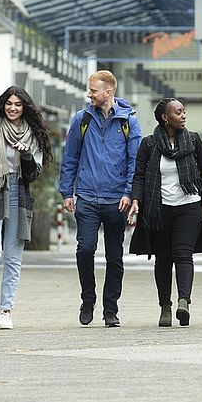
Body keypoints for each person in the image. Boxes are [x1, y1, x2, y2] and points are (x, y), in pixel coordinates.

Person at [127, 98, 202, 327]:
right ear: (165, 117)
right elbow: (139, 176)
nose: (183, 115)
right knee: (162, 259)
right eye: (178, 112)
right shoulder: (149, 144)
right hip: (158, 209)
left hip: (189, 206)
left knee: (183, 255)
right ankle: (165, 307)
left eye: (183, 112)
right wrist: (136, 200)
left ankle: (183, 301)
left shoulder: (193, 140)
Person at [59, 70, 142, 327]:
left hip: (117, 200)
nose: (89, 94)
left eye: (93, 90)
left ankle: (110, 310)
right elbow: (70, 156)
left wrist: (129, 193)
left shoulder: (129, 121)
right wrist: (66, 192)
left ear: (108, 92)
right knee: (85, 249)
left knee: (115, 256)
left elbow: (134, 162)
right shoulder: (81, 120)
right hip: (87, 197)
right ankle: (88, 299)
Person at [0, 86, 54, 330]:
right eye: (9, 103)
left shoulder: (32, 134)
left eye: (18, 104)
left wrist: (28, 156)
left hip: (18, 192)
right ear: (3, 105)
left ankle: (6, 310)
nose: (12, 108)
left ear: (25, 107)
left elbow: (33, 175)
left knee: (12, 257)